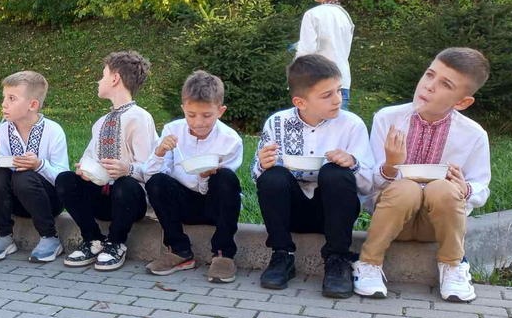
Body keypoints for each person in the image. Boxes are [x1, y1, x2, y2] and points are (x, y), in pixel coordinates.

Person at [353, 48, 491, 303]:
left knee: (443, 188)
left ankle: (453, 266)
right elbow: (368, 184)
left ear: (462, 102)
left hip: (436, 226)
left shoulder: (473, 135)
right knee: (406, 188)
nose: (429, 86)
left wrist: (465, 188)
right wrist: (391, 165)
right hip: (392, 219)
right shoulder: (388, 118)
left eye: (445, 84)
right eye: (429, 74)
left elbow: (481, 186)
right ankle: (369, 263)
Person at [252, 55, 373, 297]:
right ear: (300, 102)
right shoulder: (277, 123)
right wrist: (262, 165)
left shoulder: (352, 125)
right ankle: (282, 254)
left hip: (333, 214)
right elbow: (259, 179)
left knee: (334, 172)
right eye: (327, 95)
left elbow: (368, 185)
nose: (338, 99)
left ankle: (337, 259)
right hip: (291, 212)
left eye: (339, 90)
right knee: (272, 175)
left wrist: (352, 163)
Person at [55, 51, 158, 271]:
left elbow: (152, 168)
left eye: (102, 76)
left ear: (115, 79)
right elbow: (89, 157)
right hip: (102, 198)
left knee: (124, 184)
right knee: (65, 179)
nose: (98, 81)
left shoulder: (140, 118)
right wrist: (84, 170)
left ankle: (116, 243)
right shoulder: (101, 122)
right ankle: (93, 239)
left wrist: (127, 169)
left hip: (130, 202)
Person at [143, 70, 243, 281]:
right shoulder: (172, 130)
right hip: (183, 204)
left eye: (207, 115)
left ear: (220, 111)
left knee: (225, 178)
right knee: (157, 182)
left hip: (215, 206)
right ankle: (179, 250)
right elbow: (150, 175)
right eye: (191, 115)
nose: (198, 122)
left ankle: (223, 254)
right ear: (183, 109)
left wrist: (206, 177)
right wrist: (159, 152)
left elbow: (225, 190)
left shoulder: (230, 140)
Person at [0, 71, 69, 263]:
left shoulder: (53, 131)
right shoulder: (1, 131)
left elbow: (63, 179)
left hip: (48, 202)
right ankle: (4, 235)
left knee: (23, 176)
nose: (4, 104)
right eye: (4, 97)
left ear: (33, 105)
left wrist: (39, 165)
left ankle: (50, 237)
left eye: (12, 98)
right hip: (16, 203)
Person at [295, 0, 355, 108]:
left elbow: (306, 51)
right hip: (342, 82)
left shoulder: (313, 15)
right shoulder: (345, 17)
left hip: (318, 83)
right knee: (339, 122)